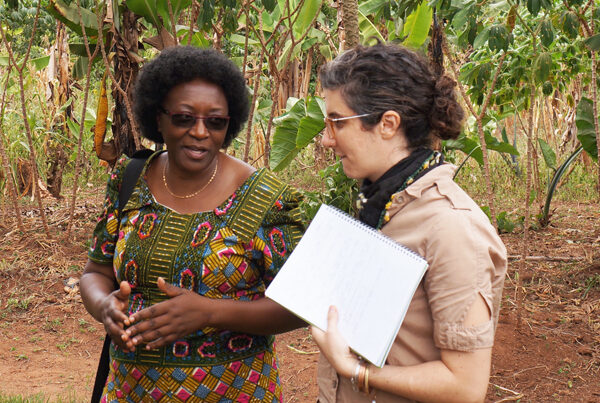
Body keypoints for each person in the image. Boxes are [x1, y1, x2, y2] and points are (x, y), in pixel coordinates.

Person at [80, 45, 305, 402]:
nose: (200, 132)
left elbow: (302, 305)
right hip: (130, 391)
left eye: (215, 122)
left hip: (233, 391)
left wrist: (210, 312)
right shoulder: (130, 178)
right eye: (184, 118)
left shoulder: (266, 198)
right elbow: (96, 272)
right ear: (158, 118)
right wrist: (103, 305)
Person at [311, 43, 508, 403]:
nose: (326, 139)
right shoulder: (382, 203)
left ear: (388, 124)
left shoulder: (451, 228)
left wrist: (356, 371)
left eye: (337, 122)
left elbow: (465, 386)